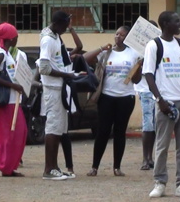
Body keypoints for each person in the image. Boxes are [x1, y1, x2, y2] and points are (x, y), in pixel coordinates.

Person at [143, 11, 180, 198]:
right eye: (176, 20)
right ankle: (160, 182)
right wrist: (159, 100)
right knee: (162, 145)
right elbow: (148, 74)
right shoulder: (154, 45)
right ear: (165, 24)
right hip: (166, 103)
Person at [83, 26, 142, 177]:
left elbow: (136, 80)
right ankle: (94, 166)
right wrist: (101, 48)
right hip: (106, 97)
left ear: (128, 38)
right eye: (116, 34)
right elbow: (85, 58)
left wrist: (139, 67)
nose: (118, 37)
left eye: (122, 35)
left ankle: (117, 167)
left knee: (120, 132)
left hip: (126, 98)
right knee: (103, 131)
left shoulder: (133, 54)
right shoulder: (106, 53)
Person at [38, 11, 84, 181]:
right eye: (66, 25)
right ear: (58, 23)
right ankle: (48, 169)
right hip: (52, 89)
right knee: (52, 128)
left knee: (59, 129)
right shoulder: (48, 40)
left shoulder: (56, 36)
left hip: (60, 88)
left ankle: (55, 167)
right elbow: (43, 68)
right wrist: (67, 75)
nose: (67, 28)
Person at [0, 23, 28, 177]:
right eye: (16, 37)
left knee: (18, 133)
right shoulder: (1, 54)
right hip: (6, 101)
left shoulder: (7, 54)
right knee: (10, 135)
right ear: (11, 38)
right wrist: (13, 85)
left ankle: (8, 167)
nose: (17, 39)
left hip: (13, 100)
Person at [136, 20, 158, 171]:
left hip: (157, 89)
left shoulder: (158, 46)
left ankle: (151, 157)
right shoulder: (138, 49)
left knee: (155, 124)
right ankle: (146, 158)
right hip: (145, 89)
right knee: (147, 124)